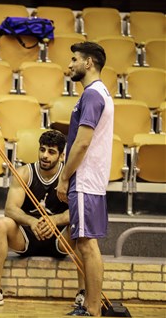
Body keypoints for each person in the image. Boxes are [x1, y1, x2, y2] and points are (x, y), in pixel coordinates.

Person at [0, 130, 85, 309]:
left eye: (51, 152)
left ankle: (83, 293)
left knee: (82, 226)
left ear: (61, 155)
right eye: (42, 150)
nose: (45, 155)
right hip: (26, 236)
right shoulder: (24, 173)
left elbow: (78, 211)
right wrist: (32, 221)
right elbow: (10, 209)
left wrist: (55, 221)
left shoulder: (69, 177)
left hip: (59, 239)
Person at [57, 42, 113, 317]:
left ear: (88, 63)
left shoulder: (92, 95)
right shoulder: (99, 93)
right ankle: (93, 307)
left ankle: (92, 309)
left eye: (74, 59)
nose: (70, 65)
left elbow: (82, 143)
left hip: (85, 178)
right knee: (86, 243)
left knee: (86, 244)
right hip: (93, 179)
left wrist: (64, 177)